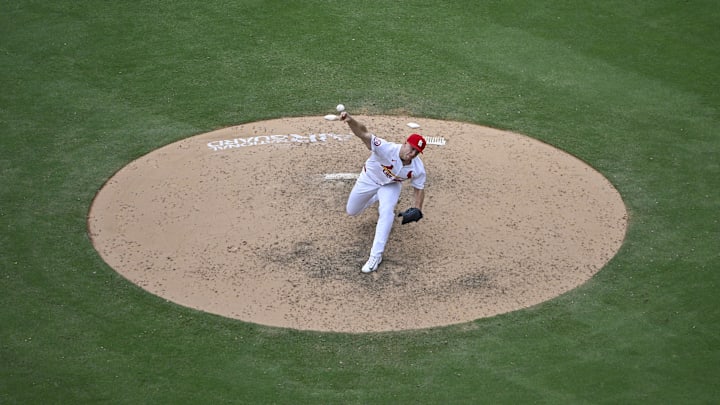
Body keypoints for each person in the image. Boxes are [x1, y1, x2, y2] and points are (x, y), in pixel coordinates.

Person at [340, 111, 427, 273]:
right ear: (405, 143)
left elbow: (419, 188)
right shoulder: (386, 148)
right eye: (412, 148)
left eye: (417, 152)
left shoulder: (417, 168)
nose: (412, 154)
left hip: (391, 186)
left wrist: (418, 208)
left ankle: (375, 256)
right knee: (352, 211)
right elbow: (364, 133)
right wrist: (351, 121)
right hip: (369, 179)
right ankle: (374, 197)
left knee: (387, 212)